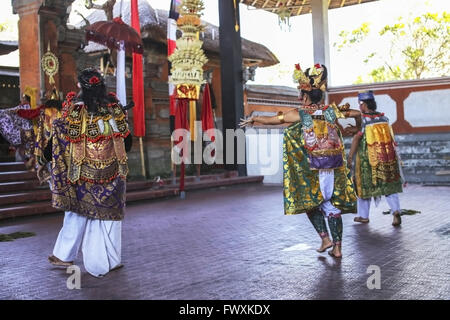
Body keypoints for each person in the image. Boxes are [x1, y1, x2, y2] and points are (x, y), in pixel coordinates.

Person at [240, 63, 360, 258]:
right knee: (331, 207)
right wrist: (356, 127)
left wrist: (254, 119)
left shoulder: (302, 113)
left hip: (314, 168)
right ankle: (336, 247)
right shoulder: (330, 111)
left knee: (310, 203)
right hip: (334, 167)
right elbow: (356, 113)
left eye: (301, 94)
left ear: (305, 96)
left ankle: (325, 238)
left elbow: (276, 119)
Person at [44, 68, 133, 277]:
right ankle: (111, 260)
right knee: (110, 218)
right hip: (113, 175)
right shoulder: (114, 110)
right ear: (103, 86)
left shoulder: (73, 111)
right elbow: (127, 143)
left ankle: (64, 255)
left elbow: (58, 139)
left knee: (76, 214)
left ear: (80, 86)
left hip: (82, 176)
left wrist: (46, 156)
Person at [347, 90, 403, 226]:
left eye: (360, 104)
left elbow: (357, 138)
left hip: (369, 161)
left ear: (364, 104)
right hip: (386, 159)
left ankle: (363, 216)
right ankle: (396, 212)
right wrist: (357, 129)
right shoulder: (384, 118)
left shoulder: (364, 119)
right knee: (389, 187)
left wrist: (349, 157)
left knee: (363, 187)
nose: (360, 106)